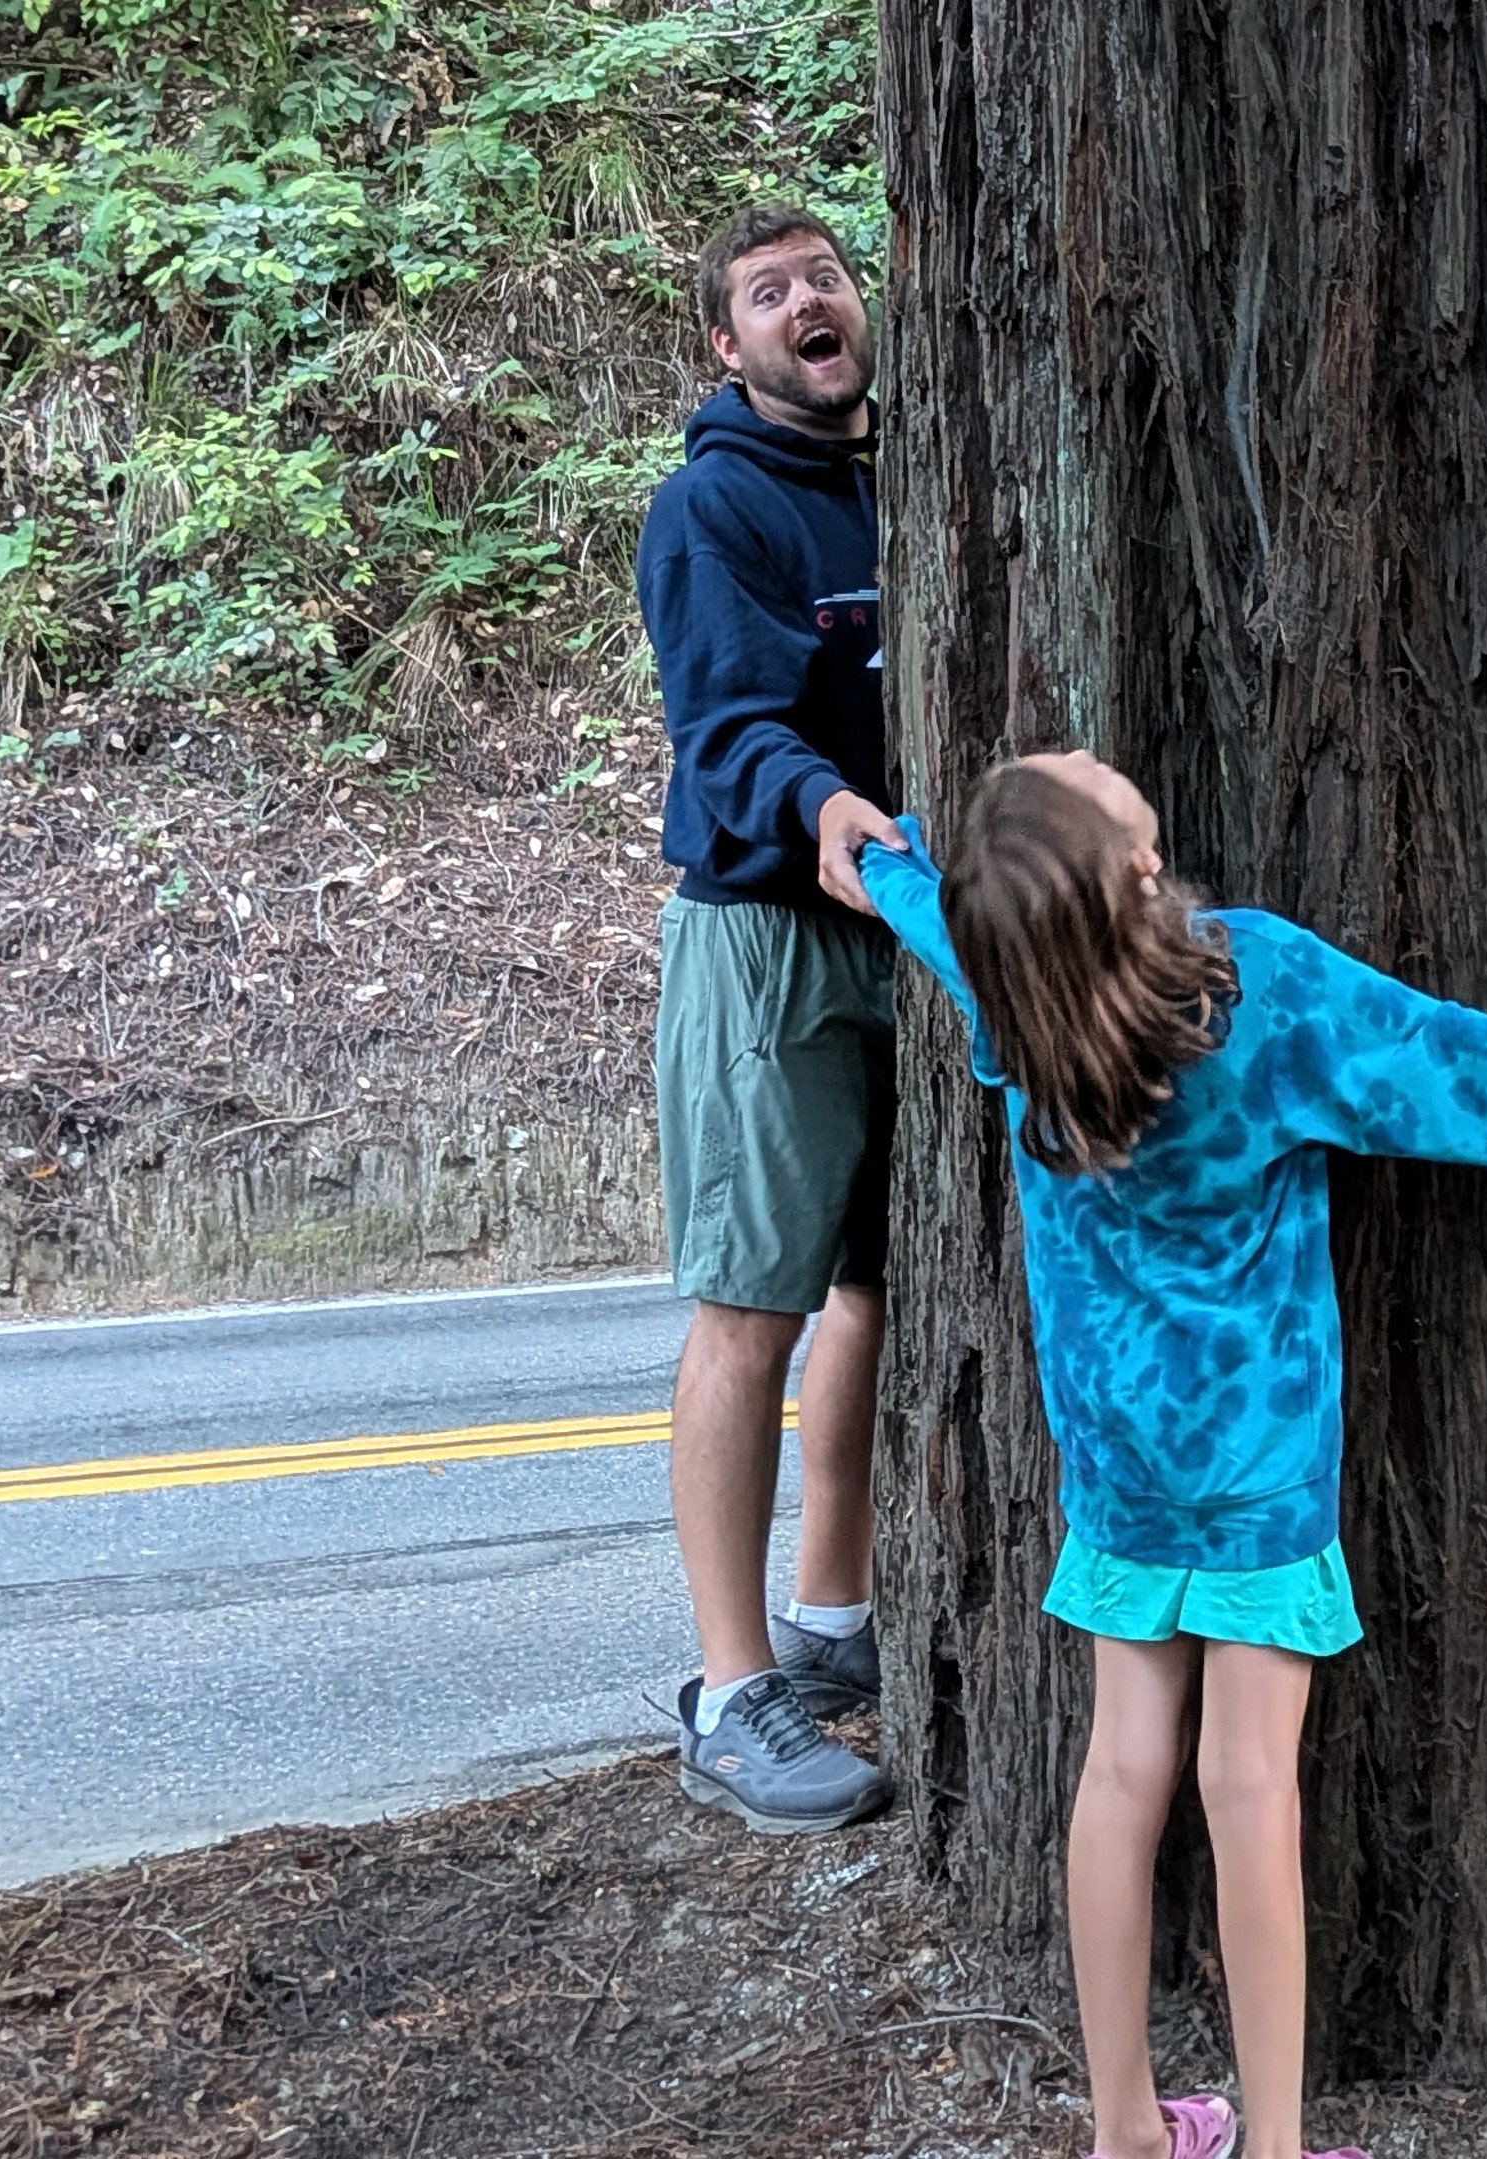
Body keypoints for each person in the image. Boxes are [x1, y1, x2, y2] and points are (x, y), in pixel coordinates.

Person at [853, 750, 1487, 2159]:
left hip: (1116, 1462)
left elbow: (943, 913)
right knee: (1249, 1788)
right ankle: (1280, 2149)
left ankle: (1123, 2130)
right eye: (1062, 779)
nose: (1065, 754)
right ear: (1125, 870)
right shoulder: (1258, 993)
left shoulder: (1018, 995)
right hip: (1256, 1478)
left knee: (1123, 1771)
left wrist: (879, 861)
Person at [637, 203, 898, 1832]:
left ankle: (833, 1620)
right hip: (769, 939)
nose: (808, 300)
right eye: (766, 293)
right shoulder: (712, 507)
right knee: (757, 1311)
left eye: (823, 276)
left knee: (877, 1289)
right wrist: (819, 808)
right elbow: (722, 725)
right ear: (728, 348)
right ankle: (733, 1692)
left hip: (913, 932)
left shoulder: (914, 481)